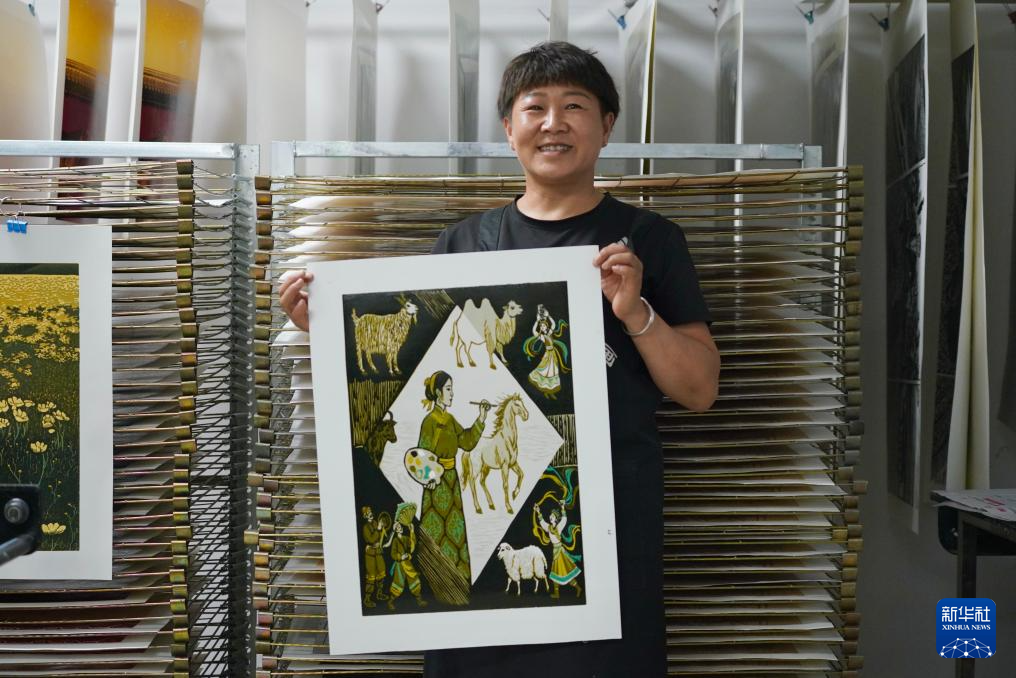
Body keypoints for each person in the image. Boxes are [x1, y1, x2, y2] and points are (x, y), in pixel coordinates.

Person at [280, 40, 719, 678]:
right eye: (534, 107)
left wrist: (636, 313)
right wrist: (324, 331)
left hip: (606, 527)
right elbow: (412, 385)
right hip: (474, 535)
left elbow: (700, 389)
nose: (553, 123)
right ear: (509, 128)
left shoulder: (651, 242)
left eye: (575, 106)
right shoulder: (462, 246)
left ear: (606, 127)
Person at [416, 370, 491, 583]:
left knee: (455, 531)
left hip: (452, 481)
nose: (452, 393)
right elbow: (421, 454)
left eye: (452, 389)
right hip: (435, 484)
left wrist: (481, 417)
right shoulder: (429, 421)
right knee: (435, 532)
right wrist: (429, 479)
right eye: (448, 389)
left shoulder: (450, 419)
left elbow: (466, 441)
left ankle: (457, 578)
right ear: (438, 392)